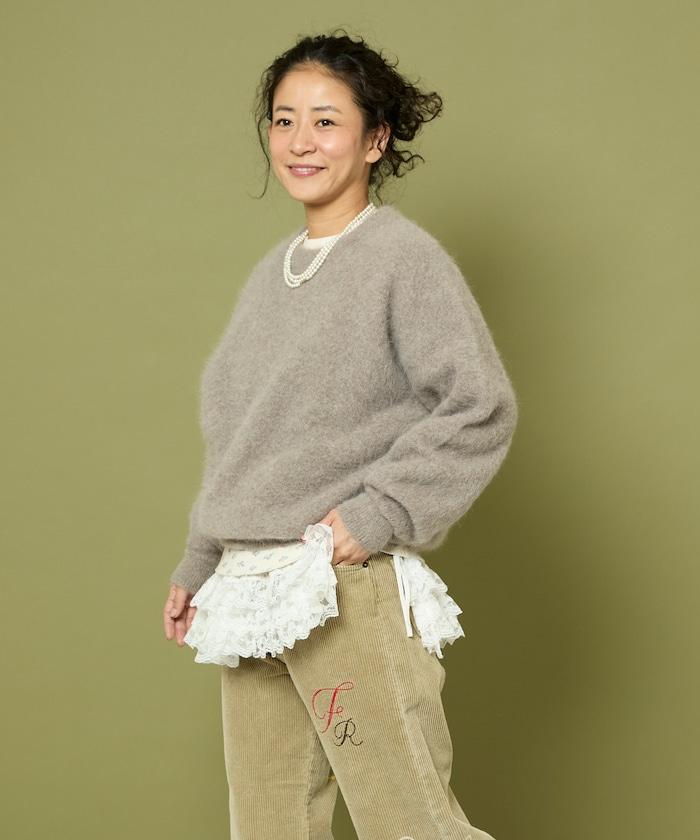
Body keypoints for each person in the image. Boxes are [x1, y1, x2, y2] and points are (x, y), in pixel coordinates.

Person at [162, 29, 518, 840]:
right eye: (284, 120)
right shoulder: (273, 274)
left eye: (326, 121)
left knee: (408, 824)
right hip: (252, 593)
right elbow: (247, 436)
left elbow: (479, 405)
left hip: (339, 592)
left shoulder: (402, 259)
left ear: (375, 139)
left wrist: (379, 513)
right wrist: (202, 558)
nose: (300, 141)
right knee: (269, 828)